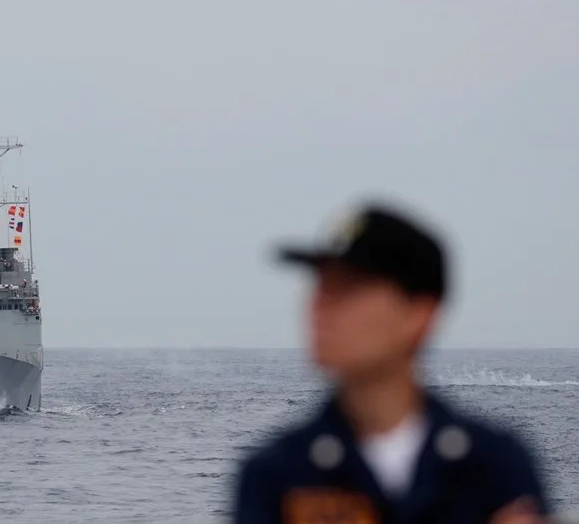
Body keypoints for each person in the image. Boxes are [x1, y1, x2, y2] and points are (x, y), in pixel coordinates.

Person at [234, 203, 548, 523]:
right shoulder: (275, 473)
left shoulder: (496, 465)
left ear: (418, 314)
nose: (318, 305)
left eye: (348, 288)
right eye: (321, 286)